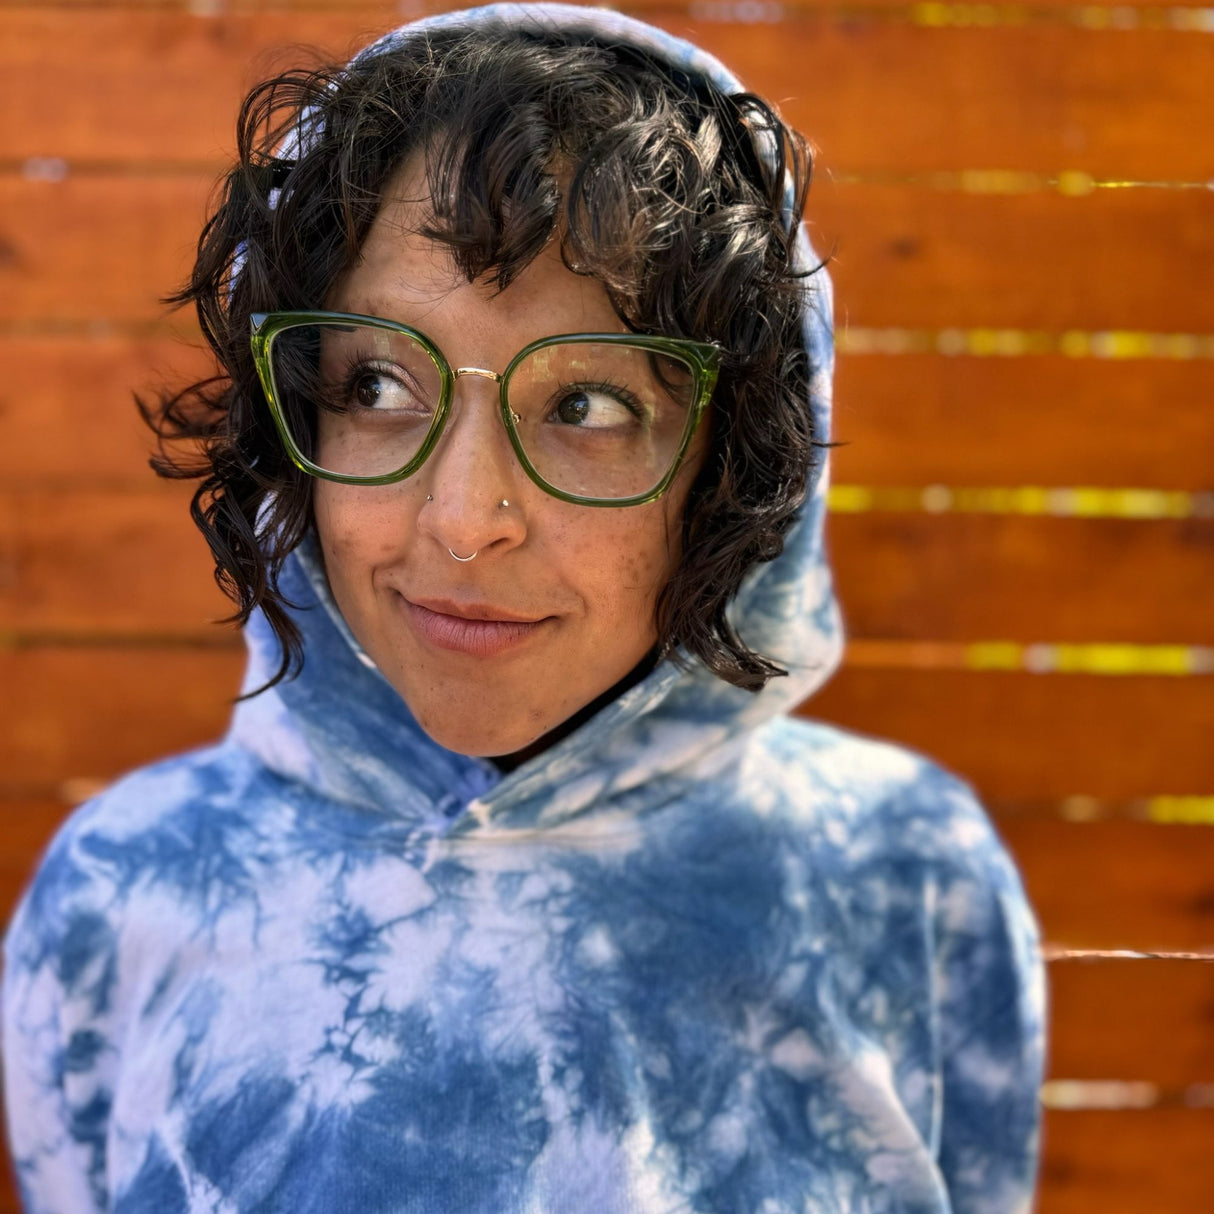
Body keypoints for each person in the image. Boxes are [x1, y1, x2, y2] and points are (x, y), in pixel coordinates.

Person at [2, 5, 1046, 1212]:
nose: (464, 518)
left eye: (588, 405)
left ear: (736, 471)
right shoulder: (129, 889)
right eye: (378, 381)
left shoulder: (899, 876)